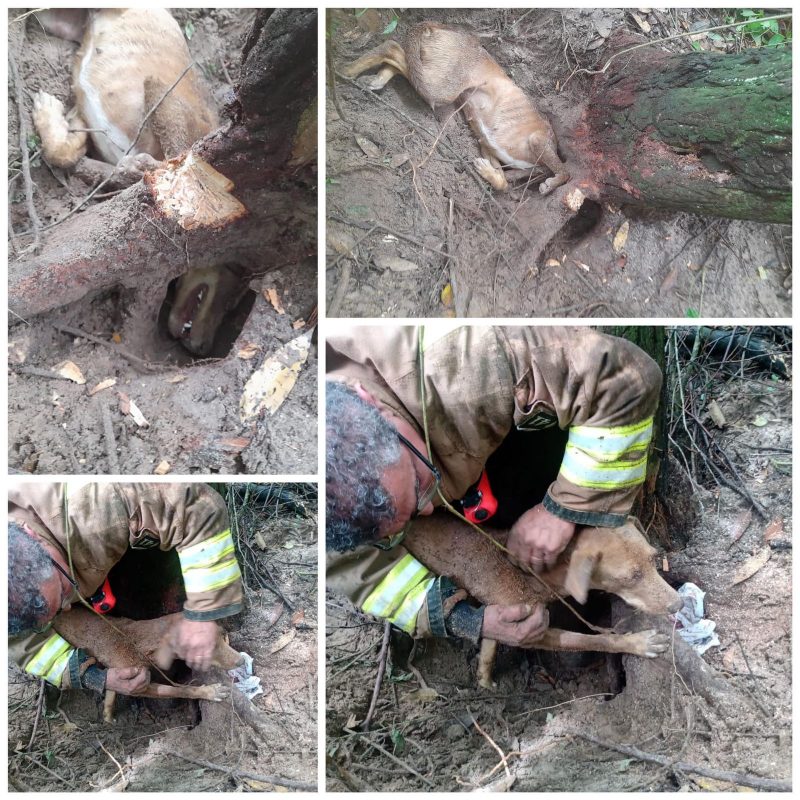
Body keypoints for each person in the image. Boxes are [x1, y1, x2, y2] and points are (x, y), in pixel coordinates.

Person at [327, 325, 661, 647]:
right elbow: (364, 577)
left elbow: (627, 381)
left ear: (369, 402)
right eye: (395, 530)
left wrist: (562, 509)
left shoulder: (466, 360)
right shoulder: (328, 516)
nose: (428, 510)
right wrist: (469, 621)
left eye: (416, 480)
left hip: (512, 433)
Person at [9, 483, 243, 699]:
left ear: (32, 535)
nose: (69, 608)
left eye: (62, 592)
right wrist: (96, 678)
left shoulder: (92, 506)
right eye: (49, 617)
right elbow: (27, 649)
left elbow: (199, 507)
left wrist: (203, 613)